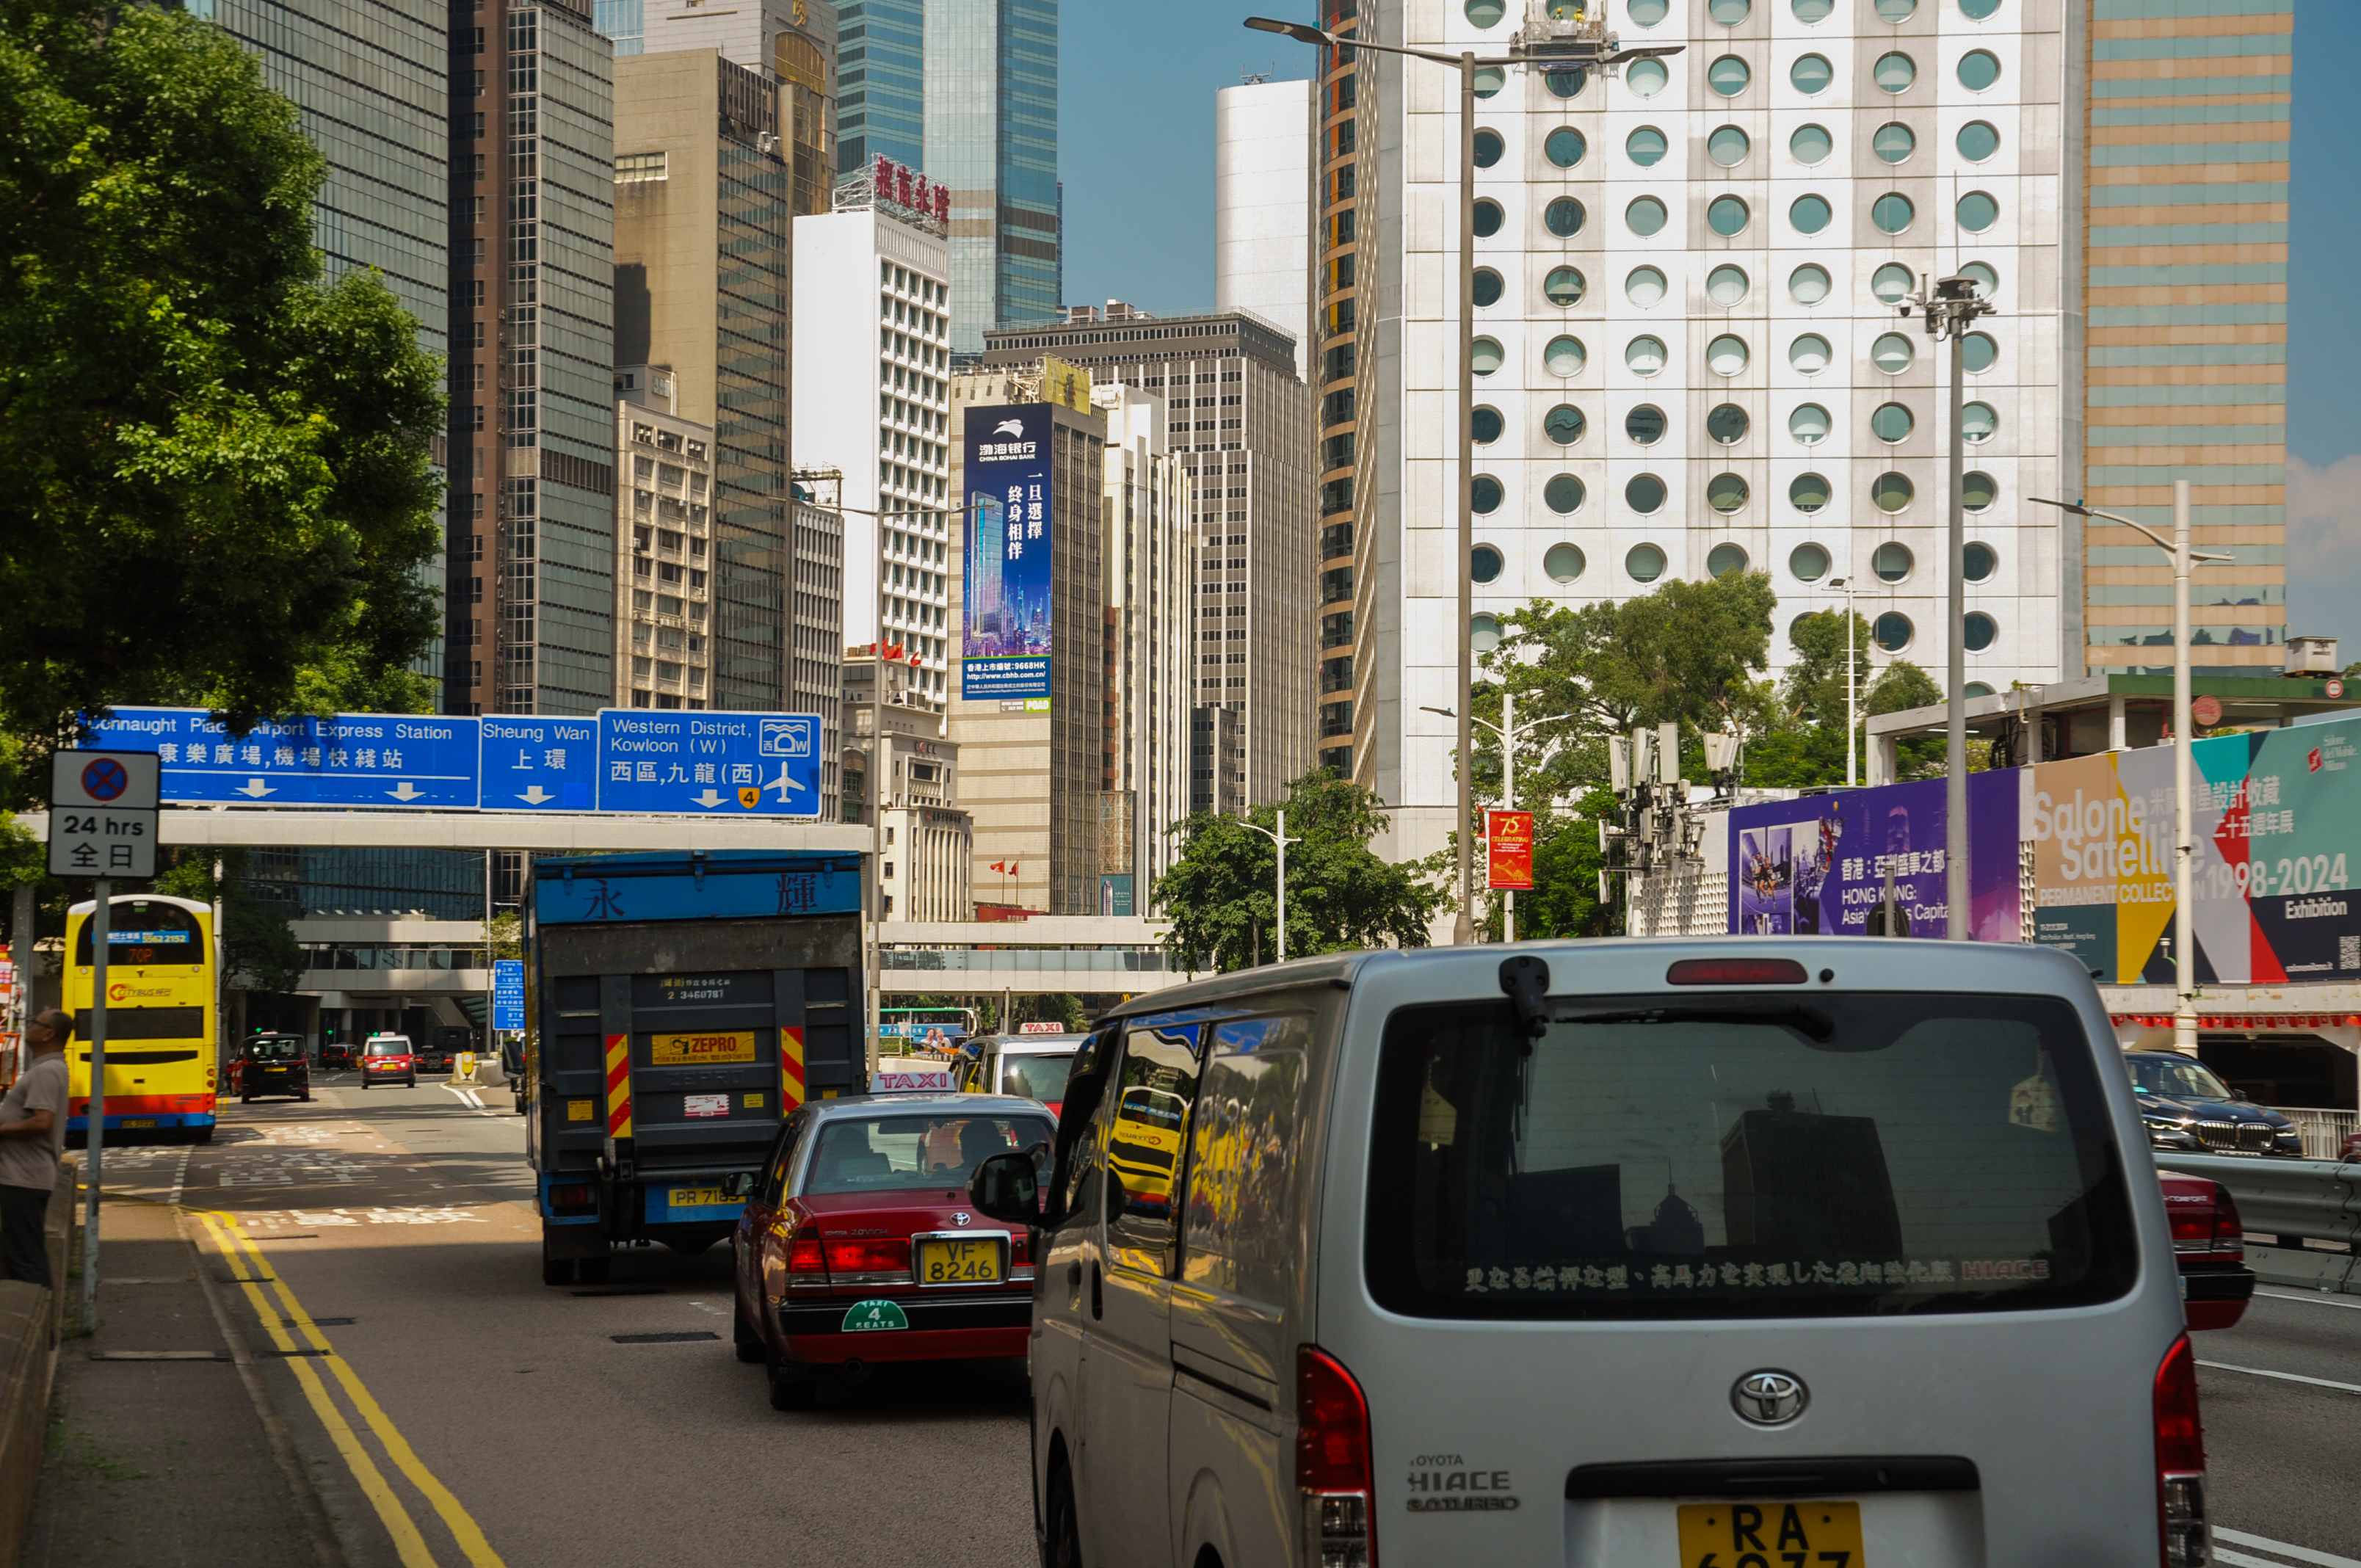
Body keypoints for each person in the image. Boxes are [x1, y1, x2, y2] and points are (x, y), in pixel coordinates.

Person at [0, 1009, 73, 1288]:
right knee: (21, 1252)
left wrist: (2, 1130)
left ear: (48, 1034)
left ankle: (39, 1307)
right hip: (22, 1176)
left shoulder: (46, 1071)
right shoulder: (48, 1069)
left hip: (24, 1178)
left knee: (25, 1258)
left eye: (35, 1022)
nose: (29, 1026)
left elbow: (42, 1122)